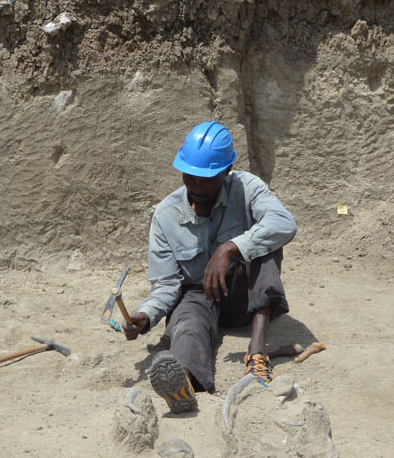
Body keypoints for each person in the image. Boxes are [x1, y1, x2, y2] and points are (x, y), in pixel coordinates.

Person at [121, 121, 297, 413]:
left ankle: (257, 355)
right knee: (187, 325)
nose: (197, 186)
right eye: (190, 177)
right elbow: (165, 284)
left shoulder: (247, 188)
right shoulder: (166, 215)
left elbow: (284, 223)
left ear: (227, 172)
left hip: (246, 297)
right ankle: (184, 383)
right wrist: (144, 315)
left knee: (265, 249)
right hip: (200, 294)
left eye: (207, 179)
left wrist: (231, 248)